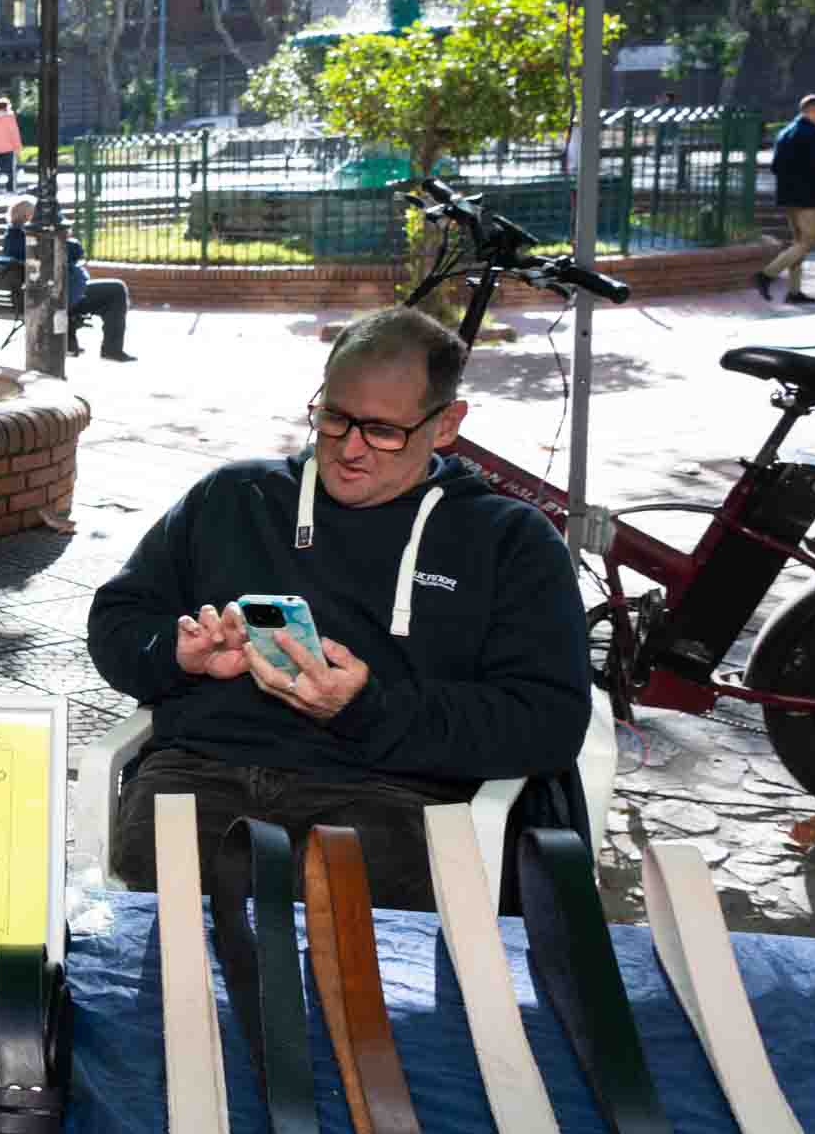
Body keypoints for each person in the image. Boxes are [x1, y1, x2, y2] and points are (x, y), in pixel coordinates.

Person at [86, 305, 589, 909]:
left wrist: (367, 709)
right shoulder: (233, 498)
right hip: (202, 770)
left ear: (446, 424)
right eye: (334, 418)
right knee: (169, 941)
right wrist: (176, 654)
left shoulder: (509, 539)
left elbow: (548, 721)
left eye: (383, 431)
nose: (350, 448)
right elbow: (116, 624)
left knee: (345, 939)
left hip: (394, 792)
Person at [4, 199, 131, 360]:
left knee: (73, 286)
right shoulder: (33, 239)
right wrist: (63, 236)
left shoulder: (11, 240)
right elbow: (74, 250)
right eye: (38, 215)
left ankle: (69, 342)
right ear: (28, 217)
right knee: (116, 290)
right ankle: (111, 349)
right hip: (54, 300)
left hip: (31, 299)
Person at [758, 95, 815, 306]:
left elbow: (775, 167)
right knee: (811, 240)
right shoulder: (812, 132)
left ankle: (794, 292)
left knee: (799, 243)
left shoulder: (785, 132)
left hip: (788, 197)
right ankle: (766, 275)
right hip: (808, 197)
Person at [0, 96, 24, 197]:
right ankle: (10, 189)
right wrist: (18, 147)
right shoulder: (10, 116)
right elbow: (14, 132)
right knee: (10, 171)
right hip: (7, 148)